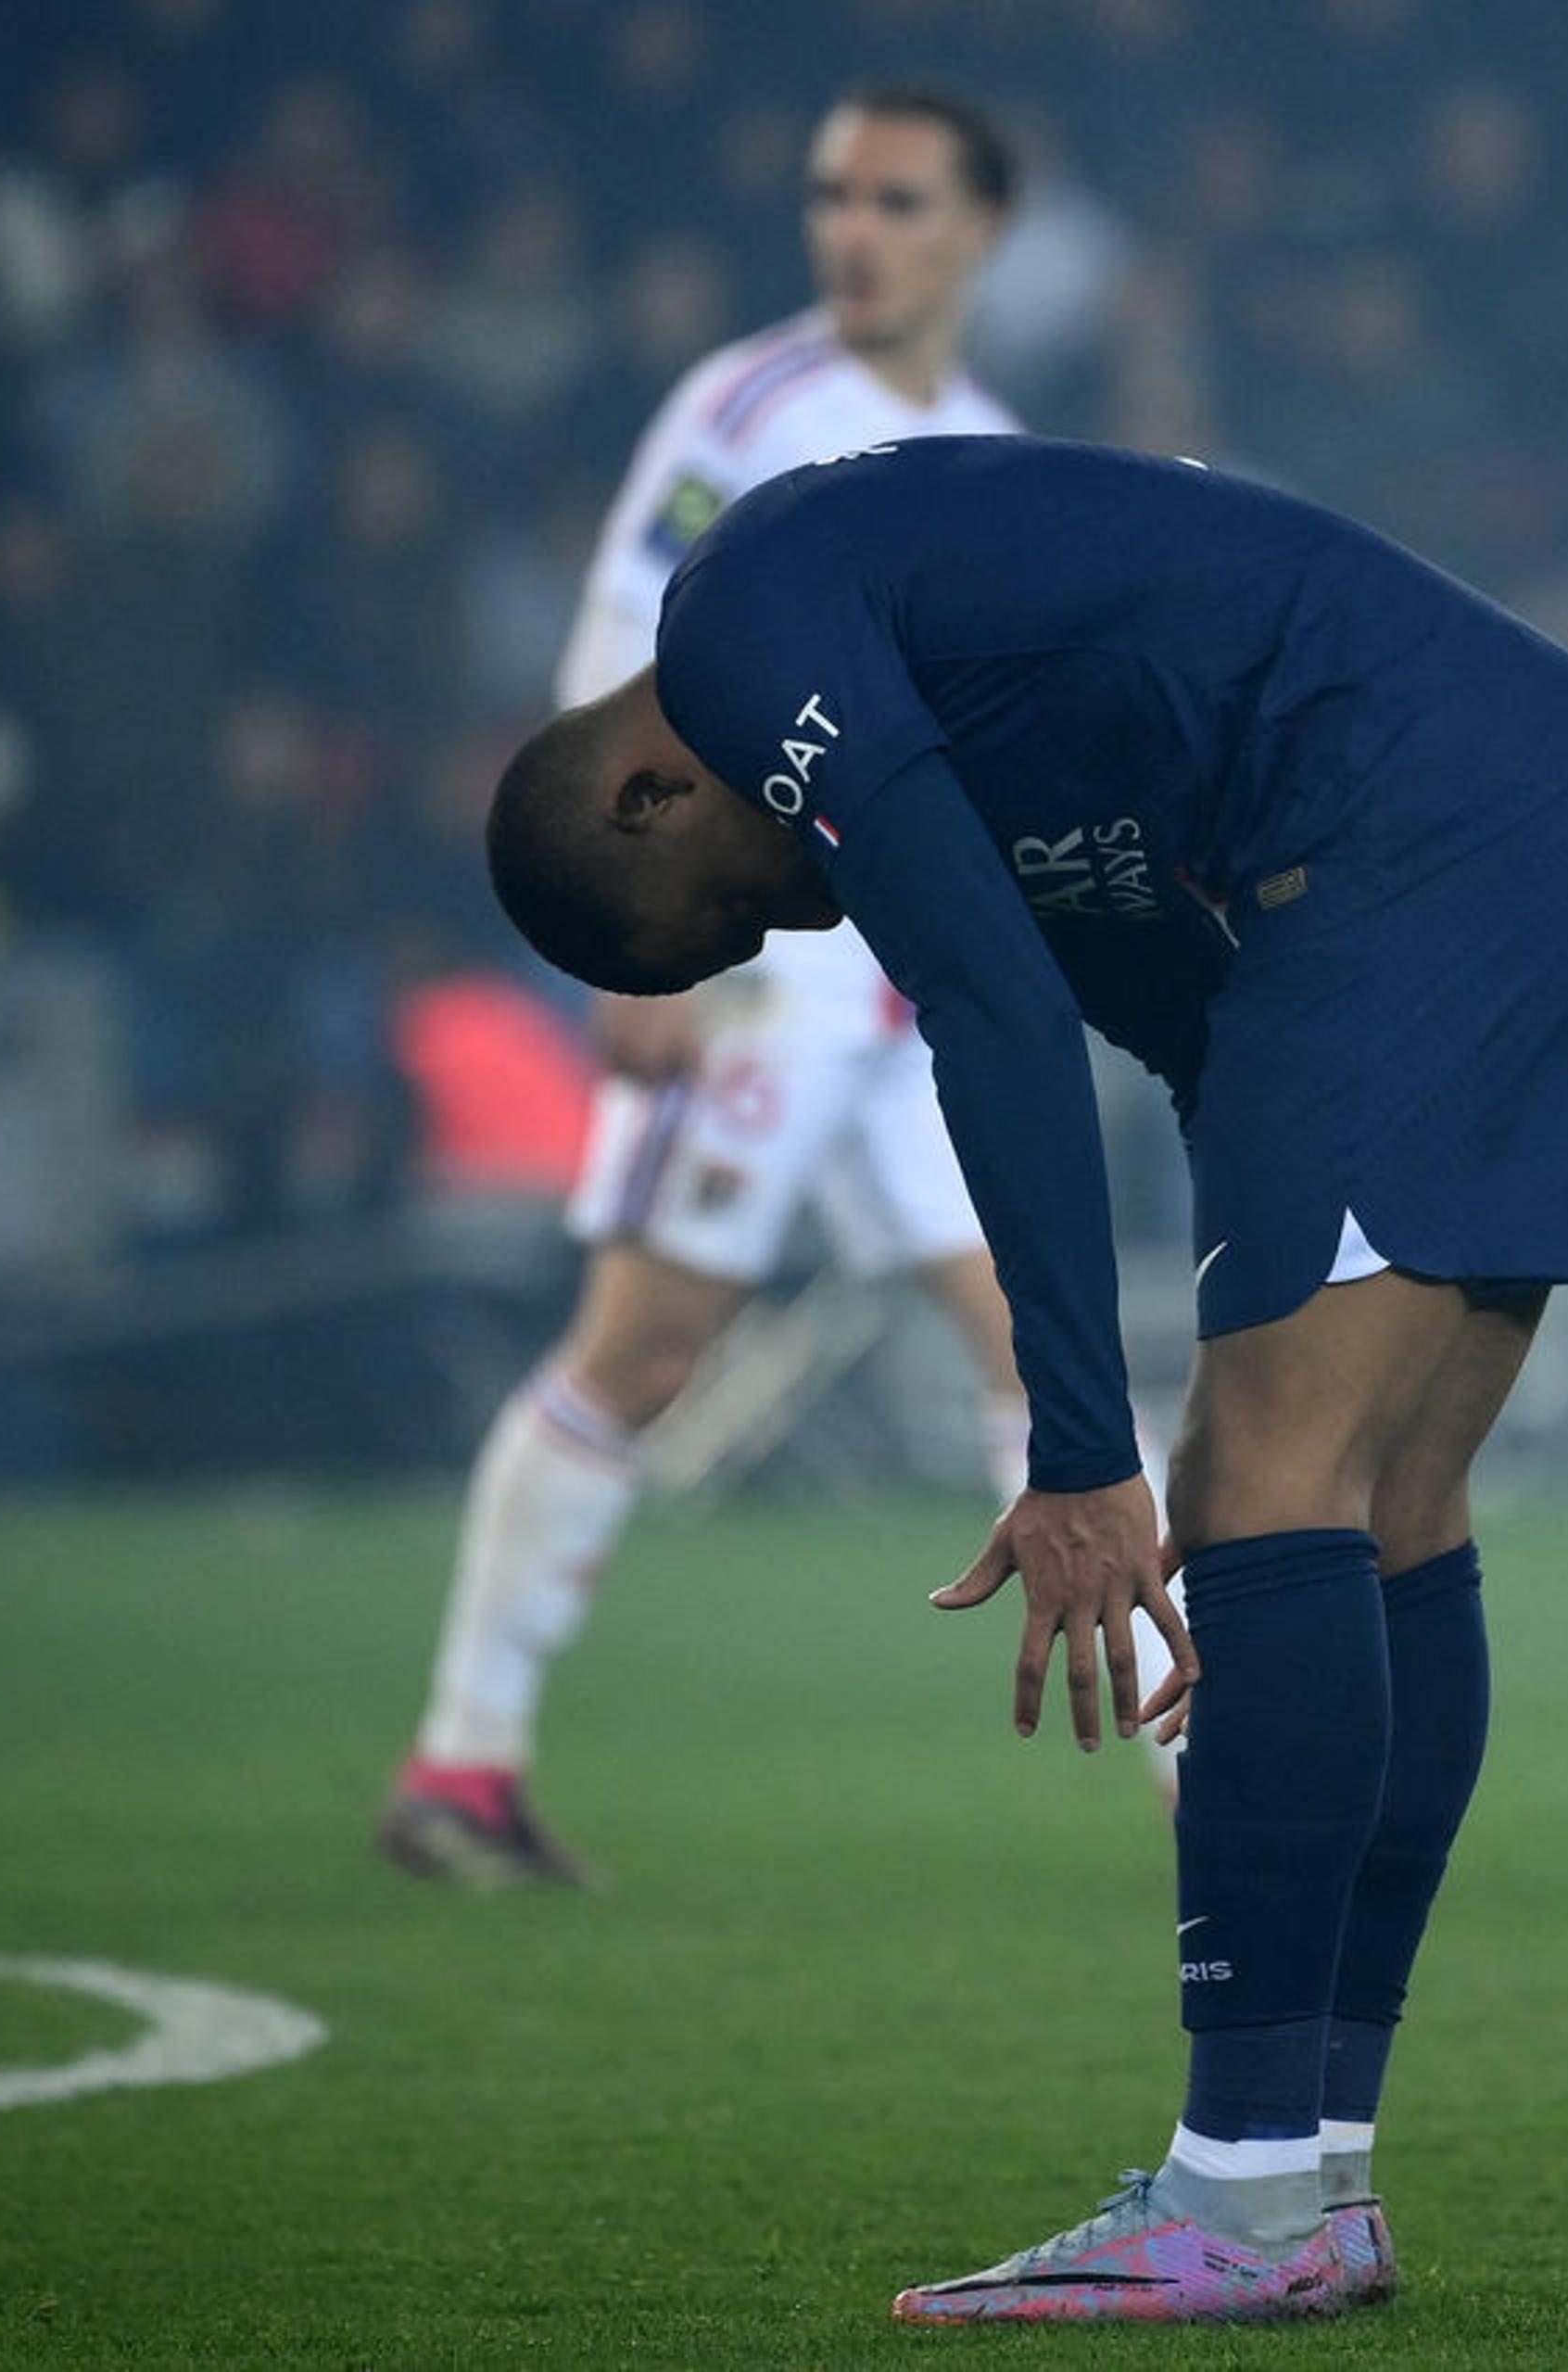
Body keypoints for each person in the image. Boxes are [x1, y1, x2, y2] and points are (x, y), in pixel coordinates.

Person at [482, 436, 1568, 2323]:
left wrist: (1075, 1451)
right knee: (1385, 1506)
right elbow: (1160, 1012)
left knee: (1256, 1485)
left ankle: (1238, 2198)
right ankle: (1321, 2177)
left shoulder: (742, 629)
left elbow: (994, 1012)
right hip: (1562, 800)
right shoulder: (962, 710)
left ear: (650, 786)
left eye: (723, 915)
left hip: (1419, 836)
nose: (787, 928)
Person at [377, 87, 1086, 1889]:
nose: (854, 229)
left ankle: (1203, 1790)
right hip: (754, 963)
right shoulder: (750, 409)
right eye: (831, 194)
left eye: (897, 200)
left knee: (1039, 1342)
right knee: (647, 1347)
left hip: (902, 984)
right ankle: (462, 1767)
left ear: (983, 229)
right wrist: (628, 922)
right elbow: (619, 641)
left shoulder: (991, 438)